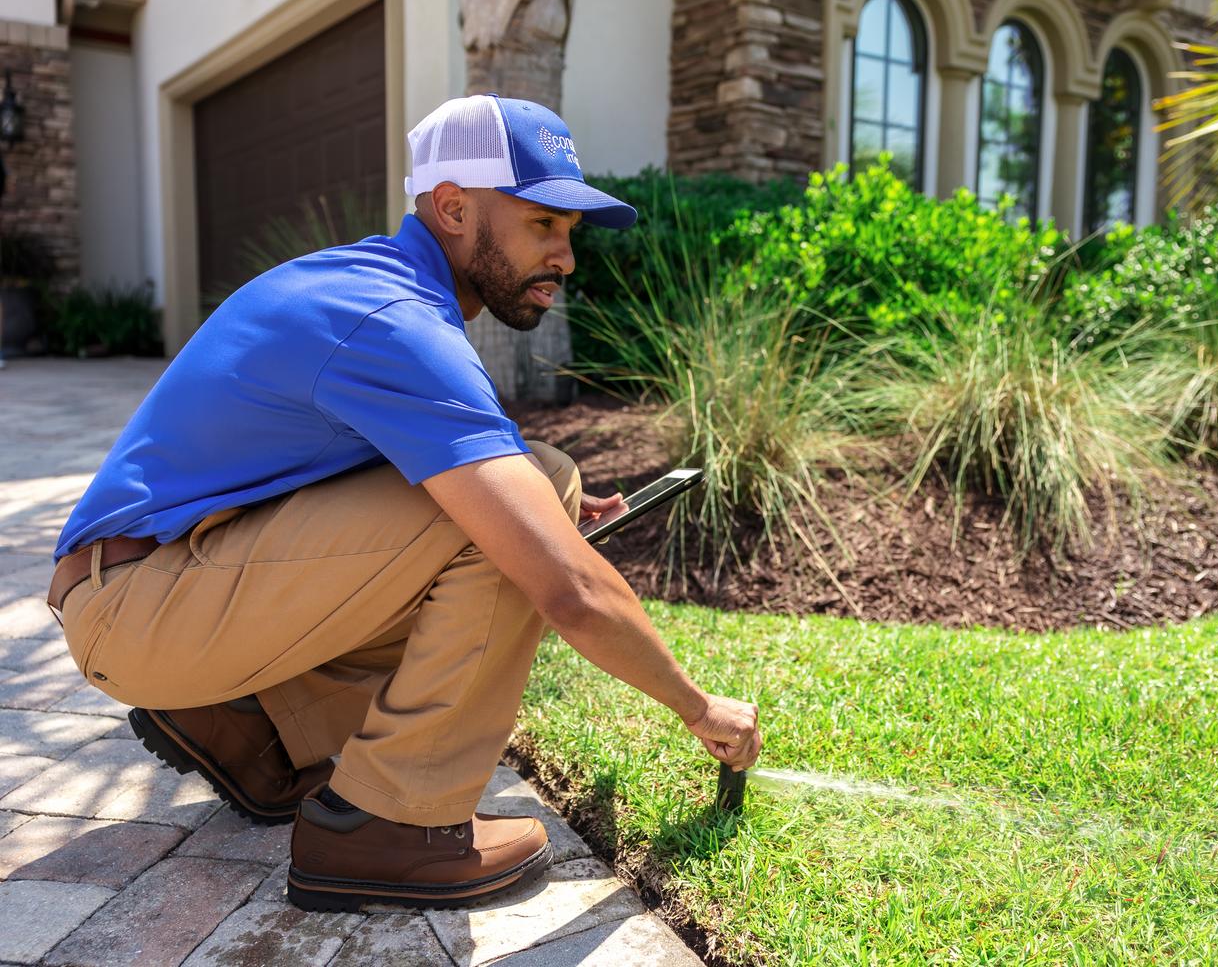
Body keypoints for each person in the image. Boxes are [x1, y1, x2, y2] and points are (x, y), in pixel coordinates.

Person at [47, 95, 762, 913]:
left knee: (537, 480)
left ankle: (257, 727)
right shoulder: (396, 322)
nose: (567, 258)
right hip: (142, 613)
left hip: (142, 593)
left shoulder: (367, 285)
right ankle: (392, 825)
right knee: (510, 519)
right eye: (542, 225)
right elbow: (568, 590)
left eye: (570, 234)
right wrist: (698, 706)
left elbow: (326, 475)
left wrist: (541, 502)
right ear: (454, 206)